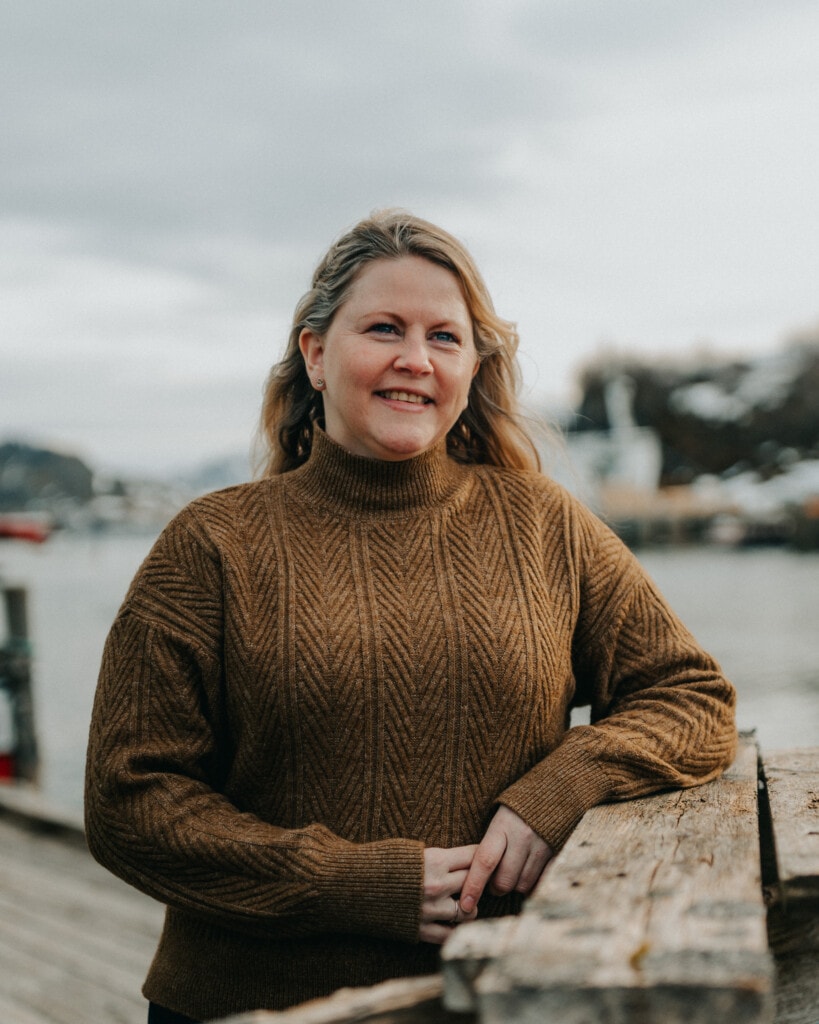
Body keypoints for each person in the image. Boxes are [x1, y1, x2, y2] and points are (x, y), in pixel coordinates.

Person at [85, 210, 737, 1023]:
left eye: (444, 337)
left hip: (494, 995)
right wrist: (358, 886)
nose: (414, 360)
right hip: (251, 1007)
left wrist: (563, 786)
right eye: (384, 328)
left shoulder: (542, 523)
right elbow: (129, 802)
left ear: (470, 367)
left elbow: (691, 696)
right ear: (315, 354)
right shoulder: (212, 544)